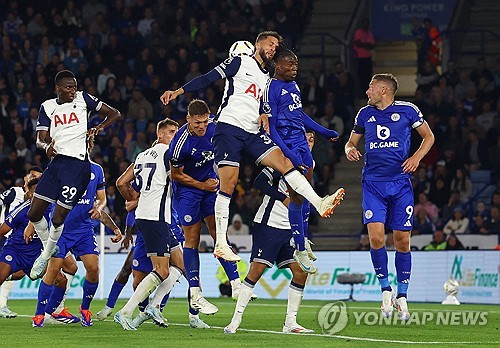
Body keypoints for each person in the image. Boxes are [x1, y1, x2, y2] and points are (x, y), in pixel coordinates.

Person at [160, 31, 345, 262]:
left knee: (284, 163)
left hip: (252, 131)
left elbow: (264, 105)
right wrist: (178, 91)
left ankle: (318, 202)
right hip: (229, 127)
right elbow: (208, 77)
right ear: (258, 44)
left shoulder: (267, 77)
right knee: (228, 183)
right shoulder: (240, 61)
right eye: (270, 43)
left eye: (276, 46)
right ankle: (220, 244)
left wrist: (264, 114)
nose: (273, 48)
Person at [345, 73, 435, 321]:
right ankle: (386, 289)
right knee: (375, 238)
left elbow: (429, 136)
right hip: (373, 184)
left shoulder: (408, 110)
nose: (367, 92)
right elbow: (350, 143)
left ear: (384, 90)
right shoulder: (364, 114)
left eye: (370, 88)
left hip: (400, 184)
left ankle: (402, 295)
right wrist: (350, 149)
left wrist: (416, 158)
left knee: (402, 241)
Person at [28, 70, 121, 279]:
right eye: (69, 87)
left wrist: (97, 128)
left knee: (59, 217)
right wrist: (46, 148)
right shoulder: (47, 106)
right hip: (56, 164)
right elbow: (40, 139)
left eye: (75, 86)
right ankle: (48, 247)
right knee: (33, 214)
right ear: (58, 88)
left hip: (78, 166)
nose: (73, 90)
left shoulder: (83, 99)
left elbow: (114, 113)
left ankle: (44, 255)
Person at [263, 48, 343, 274]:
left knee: (304, 193)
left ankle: (303, 238)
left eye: (296, 64)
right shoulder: (271, 89)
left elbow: (300, 116)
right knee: (296, 194)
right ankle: (298, 246)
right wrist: (289, 153)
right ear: (277, 65)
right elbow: (272, 128)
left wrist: (323, 130)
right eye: (289, 65)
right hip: (286, 143)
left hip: (300, 141)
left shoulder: (294, 86)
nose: (294, 68)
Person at [32, 139, 123, 327]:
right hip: (62, 230)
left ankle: (85, 308)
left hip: (84, 230)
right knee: (53, 270)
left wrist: (99, 208)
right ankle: (39, 314)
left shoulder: (97, 170)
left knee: (93, 268)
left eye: (87, 143)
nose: (85, 146)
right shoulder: (61, 166)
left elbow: (102, 199)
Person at [169, 99, 242, 315]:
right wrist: (201, 184)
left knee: (219, 232)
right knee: (192, 240)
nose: (202, 126)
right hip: (188, 192)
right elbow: (176, 175)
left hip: (210, 187)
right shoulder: (179, 144)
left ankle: (236, 284)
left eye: (205, 121)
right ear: (188, 119)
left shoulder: (216, 126)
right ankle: (195, 292)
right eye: (197, 122)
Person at [224, 166, 313, 334]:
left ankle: (290, 323)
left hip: (291, 227)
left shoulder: (310, 164)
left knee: (301, 271)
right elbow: (259, 182)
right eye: (306, 138)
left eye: (311, 139)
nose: (309, 142)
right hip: (269, 224)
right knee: (256, 271)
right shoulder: (281, 159)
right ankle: (235, 320)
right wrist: (282, 198)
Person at [113, 118, 180, 330]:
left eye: (176, 132)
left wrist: (133, 198)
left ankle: (155, 305)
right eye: (170, 132)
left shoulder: (141, 155)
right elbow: (179, 180)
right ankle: (126, 311)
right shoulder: (168, 154)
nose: (175, 136)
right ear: (159, 134)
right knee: (162, 270)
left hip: (149, 215)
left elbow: (121, 182)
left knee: (180, 264)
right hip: (156, 217)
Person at [0, 166, 43, 318]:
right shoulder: (14, 192)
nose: (35, 179)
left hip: (31, 246)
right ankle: (2, 305)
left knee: (16, 275)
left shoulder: (46, 202)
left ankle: (51, 312)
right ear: (26, 180)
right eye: (33, 176)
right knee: (4, 271)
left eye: (39, 177)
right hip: (9, 236)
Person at [353, 18, 375, 95]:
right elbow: (358, 43)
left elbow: (372, 45)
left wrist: (364, 44)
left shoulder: (370, 34)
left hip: (368, 57)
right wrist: (366, 45)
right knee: (361, 76)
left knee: (368, 76)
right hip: (360, 57)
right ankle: (362, 92)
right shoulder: (358, 32)